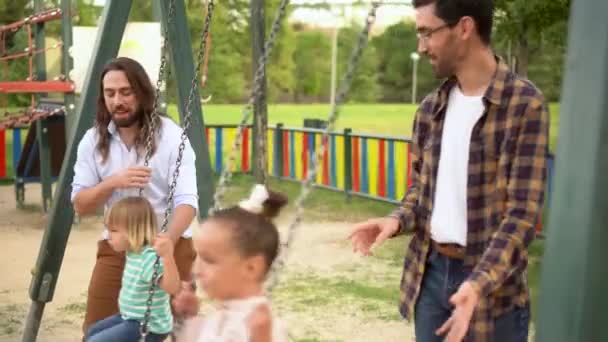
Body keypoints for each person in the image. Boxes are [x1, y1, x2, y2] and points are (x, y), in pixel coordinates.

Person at [348, 1, 549, 341]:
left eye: (427, 32)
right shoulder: (430, 108)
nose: (421, 46)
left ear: (465, 28)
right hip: (431, 274)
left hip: (492, 290)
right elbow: (421, 191)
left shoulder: (524, 105)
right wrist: (397, 220)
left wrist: (477, 283)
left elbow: (522, 216)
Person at [71, 57, 199, 336]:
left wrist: (165, 245)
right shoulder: (93, 141)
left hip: (170, 245)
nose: (118, 100)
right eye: (110, 93)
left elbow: (187, 203)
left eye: (126, 92)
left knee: (180, 331)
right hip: (118, 248)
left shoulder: (172, 138)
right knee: (96, 332)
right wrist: (113, 182)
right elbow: (80, 204)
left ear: (142, 92)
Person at [173, 184, 289, 342]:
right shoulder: (221, 315)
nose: (196, 270)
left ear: (251, 268)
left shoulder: (263, 326)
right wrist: (189, 318)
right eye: (197, 257)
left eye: (209, 260)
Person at [85, 197, 180, 341]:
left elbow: (172, 288)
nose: (108, 235)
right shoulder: (132, 252)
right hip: (129, 316)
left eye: (114, 230)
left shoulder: (149, 257)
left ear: (134, 231)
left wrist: (167, 257)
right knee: (91, 332)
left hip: (148, 326)